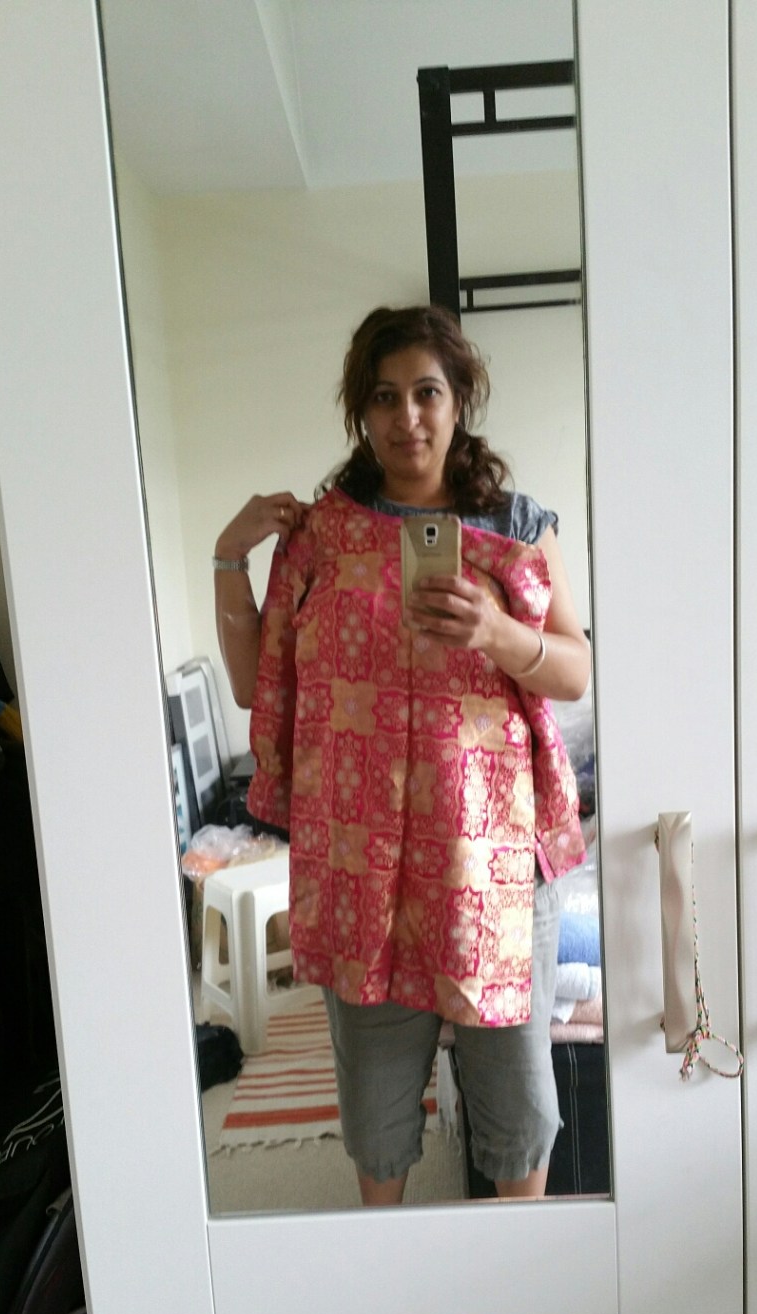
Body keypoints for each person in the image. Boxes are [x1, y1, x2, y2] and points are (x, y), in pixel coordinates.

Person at [213, 304, 590, 1207]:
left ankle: (518, 1269)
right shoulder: (324, 536)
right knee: (377, 1108)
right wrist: (230, 556)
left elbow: (573, 670)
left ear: (459, 400)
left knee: (517, 1100)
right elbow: (257, 684)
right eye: (383, 397)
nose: (406, 417)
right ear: (360, 410)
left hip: (489, 863)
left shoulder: (514, 525)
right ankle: (382, 1259)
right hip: (360, 860)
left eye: (426, 392)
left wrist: (495, 631)